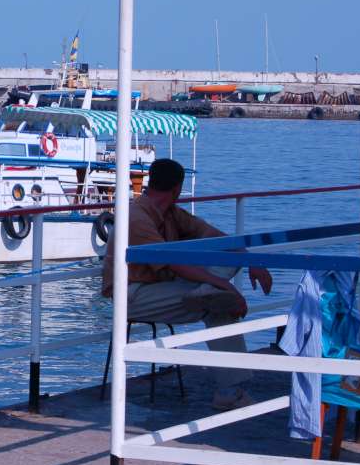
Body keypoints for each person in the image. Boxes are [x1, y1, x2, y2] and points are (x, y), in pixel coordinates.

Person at [102, 158, 274, 410]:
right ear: (177, 189)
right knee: (219, 301)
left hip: (164, 288)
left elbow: (214, 237)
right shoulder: (136, 217)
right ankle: (229, 391)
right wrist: (225, 285)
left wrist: (250, 260)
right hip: (132, 296)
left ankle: (230, 390)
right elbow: (173, 264)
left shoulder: (171, 214)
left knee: (221, 292)